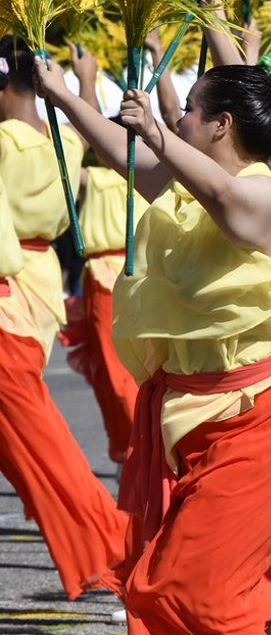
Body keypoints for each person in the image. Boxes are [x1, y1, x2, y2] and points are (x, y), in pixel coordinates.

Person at [38, 52, 271, 635]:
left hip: (260, 408)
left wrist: (159, 135)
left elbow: (221, 192)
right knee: (182, 564)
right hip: (189, 409)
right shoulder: (185, 181)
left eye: (191, 109)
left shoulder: (268, 192)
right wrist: (64, 96)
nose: (178, 116)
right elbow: (129, 157)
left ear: (221, 125)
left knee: (194, 577)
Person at [0, 37, 128, 604]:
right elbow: (92, 130)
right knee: (32, 441)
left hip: (8, 285)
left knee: (40, 444)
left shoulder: (5, 142)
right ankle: (105, 547)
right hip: (39, 279)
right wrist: (85, 83)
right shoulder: (65, 140)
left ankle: (114, 549)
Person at [58, 47, 146, 468]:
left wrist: (86, 83)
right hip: (120, 277)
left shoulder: (141, 176)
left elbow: (86, 136)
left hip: (122, 278)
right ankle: (135, 449)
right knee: (116, 375)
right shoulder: (103, 177)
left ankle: (140, 450)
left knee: (121, 374)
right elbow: (87, 139)